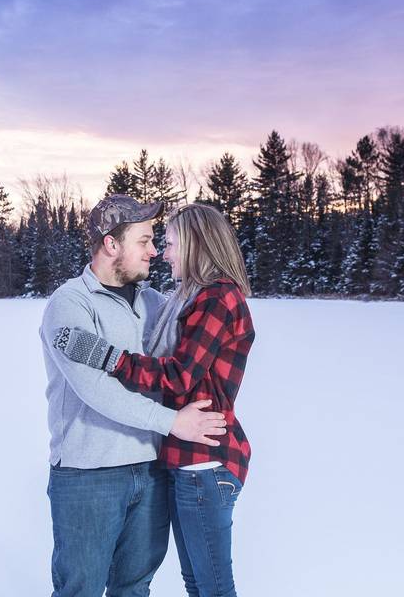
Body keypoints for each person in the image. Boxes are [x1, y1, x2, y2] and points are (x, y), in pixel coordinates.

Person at [55, 203, 254, 597]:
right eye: (147, 241)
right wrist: (170, 422)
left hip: (180, 463)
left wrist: (108, 356)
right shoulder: (74, 303)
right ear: (111, 244)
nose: (158, 252)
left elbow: (180, 375)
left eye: (164, 242)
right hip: (109, 469)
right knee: (88, 589)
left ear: (195, 244)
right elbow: (97, 390)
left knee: (170, 587)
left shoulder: (182, 301)